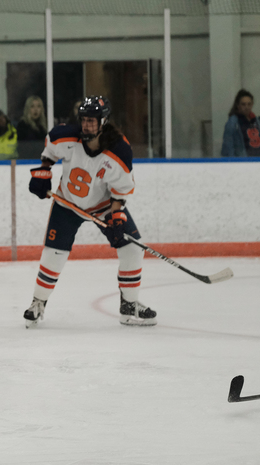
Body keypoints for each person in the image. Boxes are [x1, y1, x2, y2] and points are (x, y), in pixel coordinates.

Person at [23, 95, 157, 328]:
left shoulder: (119, 151)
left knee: (132, 248)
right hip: (67, 203)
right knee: (54, 253)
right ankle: (38, 303)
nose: (86, 125)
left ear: (103, 121)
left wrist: (116, 217)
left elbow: (119, 192)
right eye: (84, 120)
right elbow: (49, 152)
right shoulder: (64, 137)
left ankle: (129, 305)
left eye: (92, 121)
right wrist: (44, 173)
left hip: (103, 206)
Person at [221, 89, 260, 157]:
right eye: (243, 104)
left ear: (252, 104)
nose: (247, 107)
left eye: (249, 104)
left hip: (259, 161)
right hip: (242, 163)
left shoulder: (257, 122)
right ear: (238, 105)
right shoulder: (233, 123)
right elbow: (228, 147)